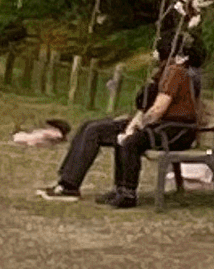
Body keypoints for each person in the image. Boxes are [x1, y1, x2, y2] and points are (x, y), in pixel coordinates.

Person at [43, 21, 204, 205]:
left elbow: (158, 109)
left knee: (129, 140)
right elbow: (146, 107)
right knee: (93, 128)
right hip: (163, 126)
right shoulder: (165, 71)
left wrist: (135, 128)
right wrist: (133, 123)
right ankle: (68, 184)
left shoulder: (176, 72)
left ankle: (127, 192)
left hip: (175, 130)